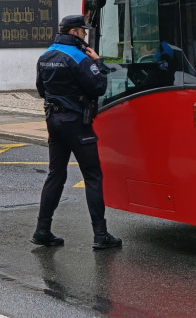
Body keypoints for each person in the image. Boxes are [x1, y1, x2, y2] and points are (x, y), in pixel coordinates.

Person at [33, 14, 122, 250]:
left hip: (54, 120)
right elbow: (99, 86)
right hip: (75, 122)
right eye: (82, 31)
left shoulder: (45, 56)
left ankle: (42, 230)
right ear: (73, 33)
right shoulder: (78, 57)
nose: (85, 34)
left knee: (56, 174)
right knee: (92, 176)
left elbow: (42, 90)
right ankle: (101, 235)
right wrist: (99, 63)